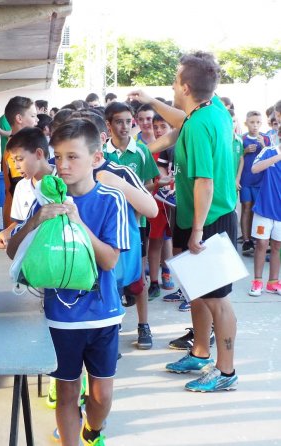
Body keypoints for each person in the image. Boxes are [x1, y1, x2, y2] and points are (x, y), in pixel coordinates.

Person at [7, 119, 128, 446]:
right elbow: (14, 254)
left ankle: (94, 430)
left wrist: (78, 224)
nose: (62, 165)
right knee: (67, 392)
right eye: (58, 157)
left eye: (72, 157)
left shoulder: (110, 200)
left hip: (103, 314)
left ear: (96, 157)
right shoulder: (47, 197)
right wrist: (36, 220)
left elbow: (109, 260)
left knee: (101, 397)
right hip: (61, 318)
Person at [131, 51, 239, 392]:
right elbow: (182, 117)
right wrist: (151, 101)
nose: (173, 86)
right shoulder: (212, 109)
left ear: (186, 87)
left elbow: (205, 182)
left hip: (210, 220)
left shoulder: (198, 127)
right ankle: (201, 351)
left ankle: (225, 371)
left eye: (176, 81)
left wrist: (196, 233)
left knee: (217, 300)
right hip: (195, 215)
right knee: (197, 291)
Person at [104, 100, 159, 349]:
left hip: (137, 222)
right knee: (111, 275)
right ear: (109, 124)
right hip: (110, 224)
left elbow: (150, 185)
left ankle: (143, 325)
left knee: (138, 278)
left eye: (129, 121)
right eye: (119, 121)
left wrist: (131, 193)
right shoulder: (102, 153)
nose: (125, 126)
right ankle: (112, 324)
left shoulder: (141, 151)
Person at [0, 127, 54, 250]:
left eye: (20, 159)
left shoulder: (63, 183)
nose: (16, 166)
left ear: (39, 154)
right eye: (13, 161)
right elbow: (19, 222)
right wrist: (7, 232)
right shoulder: (21, 187)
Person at [247, 128, 281, 296]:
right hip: (265, 208)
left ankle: (273, 282)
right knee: (261, 244)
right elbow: (254, 169)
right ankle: (257, 281)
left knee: (277, 246)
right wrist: (279, 156)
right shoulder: (270, 151)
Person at [146, 114, 176, 300]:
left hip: (174, 203)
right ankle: (154, 283)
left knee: (171, 240)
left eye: (162, 126)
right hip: (155, 202)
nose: (158, 130)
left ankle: (168, 273)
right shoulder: (149, 151)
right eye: (155, 126)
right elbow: (148, 181)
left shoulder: (178, 148)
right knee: (155, 240)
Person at [1, 96, 38, 228]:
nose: (37, 120)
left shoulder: (23, 146)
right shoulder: (15, 151)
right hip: (19, 220)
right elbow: (20, 186)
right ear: (19, 119)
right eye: (33, 116)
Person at [239, 111, 271, 256]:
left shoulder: (266, 138)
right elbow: (236, 158)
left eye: (258, 122)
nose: (255, 125)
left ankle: (259, 238)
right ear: (246, 123)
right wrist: (244, 151)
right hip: (246, 180)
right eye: (252, 122)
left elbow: (272, 158)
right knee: (246, 207)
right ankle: (246, 240)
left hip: (261, 181)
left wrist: (264, 146)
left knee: (258, 210)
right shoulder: (242, 139)